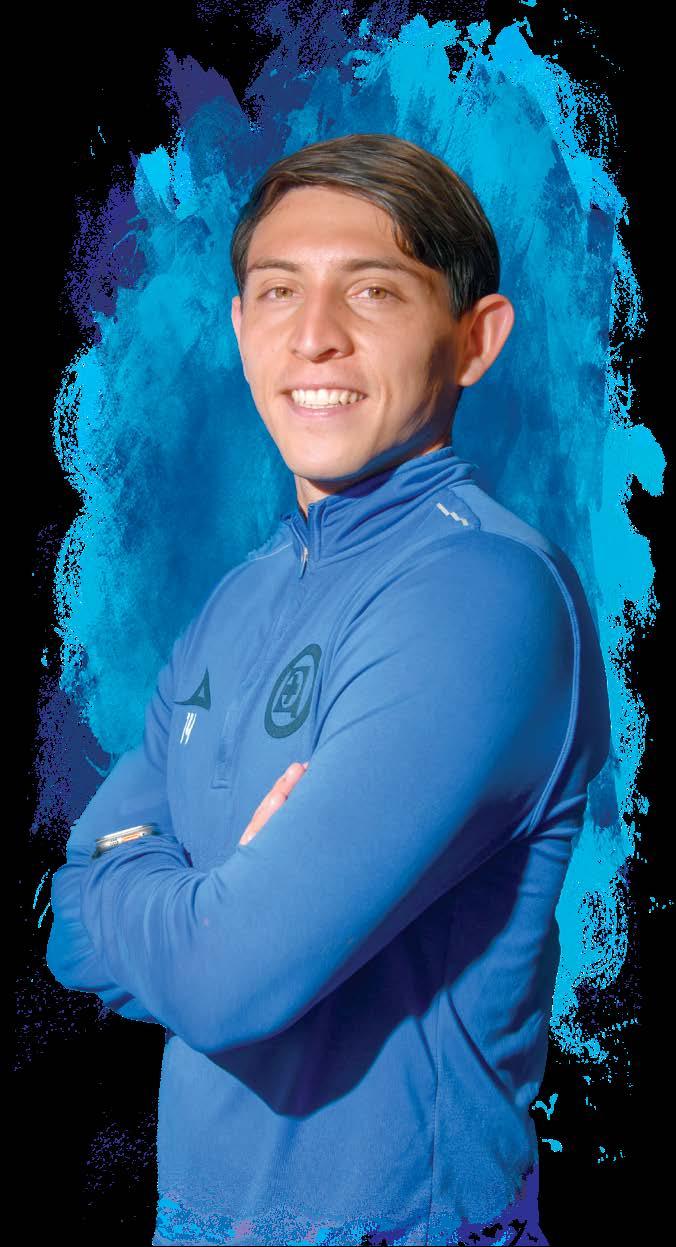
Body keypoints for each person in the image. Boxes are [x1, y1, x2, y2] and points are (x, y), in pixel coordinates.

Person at [46, 132, 611, 1246]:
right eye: (277, 291)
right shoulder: (238, 596)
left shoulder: (480, 594)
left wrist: (166, 882)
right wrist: (209, 898)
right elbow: (67, 917)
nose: (314, 335)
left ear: (475, 338)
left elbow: (226, 983)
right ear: (239, 327)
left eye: (373, 290)